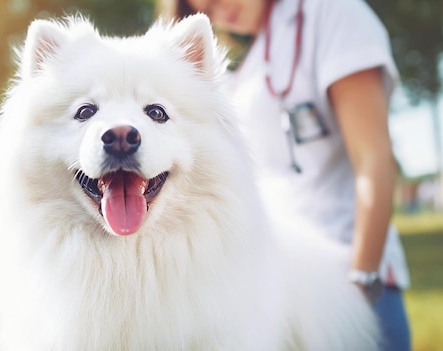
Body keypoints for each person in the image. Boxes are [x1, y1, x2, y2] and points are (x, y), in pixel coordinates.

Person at [168, 0, 411, 350]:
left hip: (351, 283)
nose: (217, 13)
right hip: (287, 293)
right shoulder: (245, 68)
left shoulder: (333, 13)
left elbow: (375, 161)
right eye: (202, 7)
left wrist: (362, 281)